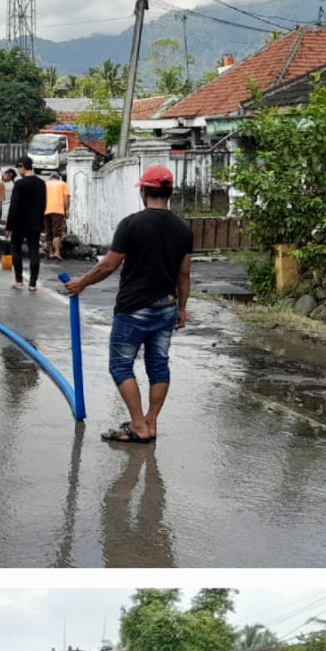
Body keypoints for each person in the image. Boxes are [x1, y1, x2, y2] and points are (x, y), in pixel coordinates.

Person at [64, 165, 193, 445]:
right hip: (167, 307)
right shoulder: (183, 228)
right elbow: (184, 274)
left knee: (121, 366)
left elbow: (110, 264)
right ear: (169, 192)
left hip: (134, 309)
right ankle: (151, 422)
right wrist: (181, 309)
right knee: (158, 365)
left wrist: (81, 283)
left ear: (145, 191)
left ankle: (138, 426)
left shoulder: (132, 224)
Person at [5, 156, 47, 291]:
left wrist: (8, 226)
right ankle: (33, 284)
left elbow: (14, 206)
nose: (18, 170)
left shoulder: (19, 184)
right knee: (34, 252)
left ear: (22, 166)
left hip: (19, 223)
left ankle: (19, 280)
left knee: (16, 250)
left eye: (19, 167)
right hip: (35, 223)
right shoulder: (41, 183)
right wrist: (41, 223)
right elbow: (43, 204)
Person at [42, 171, 70, 260]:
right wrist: (67, 209)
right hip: (58, 210)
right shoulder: (63, 184)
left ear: (50, 178)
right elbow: (66, 197)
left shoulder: (45, 184)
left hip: (46, 210)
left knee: (48, 232)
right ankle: (57, 252)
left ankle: (50, 252)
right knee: (57, 232)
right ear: (58, 178)